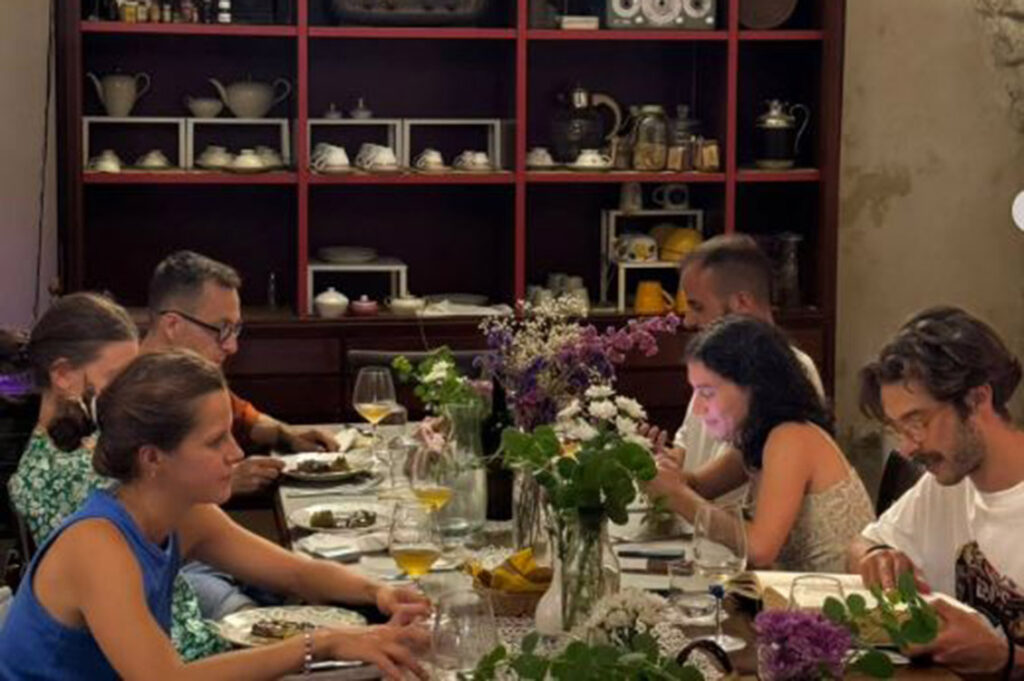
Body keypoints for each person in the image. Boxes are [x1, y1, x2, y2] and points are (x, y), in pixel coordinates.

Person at [0, 351, 430, 680]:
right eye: (215, 441)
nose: (236, 452)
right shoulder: (98, 545)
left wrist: (380, 592)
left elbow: (295, 573)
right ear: (152, 458)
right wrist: (322, 643)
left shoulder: (184, 516)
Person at [4, 292, 228, 659]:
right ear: (63, 375)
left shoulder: (95, 443)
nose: (131, 392)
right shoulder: (66, 472)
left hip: (178, 617)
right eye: (118, 378)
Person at [849, 307, 1024, 676]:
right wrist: (877, 556)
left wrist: (1006, 659)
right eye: (898, 428)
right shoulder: (945, 484)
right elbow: (862, 544)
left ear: (977, 400)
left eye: (918, 422)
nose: (907, 447)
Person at [645, 316, 874, 571]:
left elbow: (760, 549)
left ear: (755, 387)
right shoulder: (758, 438)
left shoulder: (791, 437)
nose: (698, 409)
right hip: (789, 589)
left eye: (707, 393)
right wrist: (659, 470)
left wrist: (675, 493)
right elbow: (697, 486)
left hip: (833, 593)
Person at [140, 250, 336, 496]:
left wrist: (287, 433)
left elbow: (246, 420)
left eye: (235, 329)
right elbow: (136, 499)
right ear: (172, 325)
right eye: (222, 329)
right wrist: (225, 482)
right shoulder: (129, 399)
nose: (232, 347)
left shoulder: (191, 379)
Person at [671, 235, 823, 504]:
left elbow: (748, 458)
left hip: (734, 526)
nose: (688, 321)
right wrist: (666, 461)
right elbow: (687, 438)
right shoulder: (716, 362)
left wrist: (680, 487)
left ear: (741, 303)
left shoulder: (791, 370)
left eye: (697, 306)